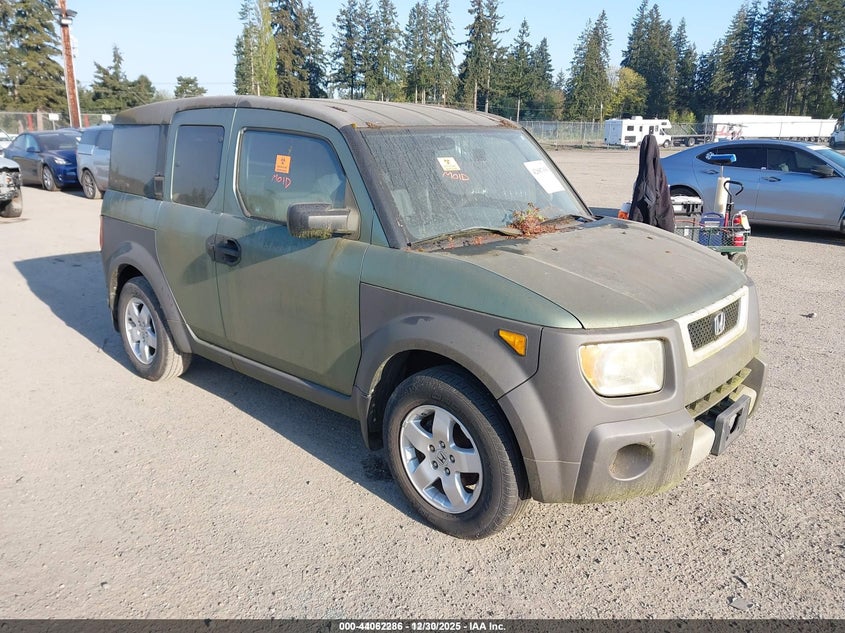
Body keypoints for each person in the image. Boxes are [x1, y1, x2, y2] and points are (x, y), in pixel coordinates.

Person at [629, 134, 675, 232]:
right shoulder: (659, 172)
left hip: (649, 222)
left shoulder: (645, 175)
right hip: (663, 220)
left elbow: (647, 198)